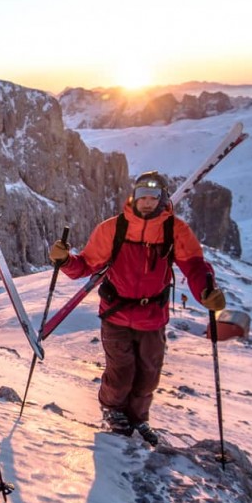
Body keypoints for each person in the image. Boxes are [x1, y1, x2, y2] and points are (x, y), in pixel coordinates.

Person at [49, 171, 225, 445]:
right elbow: (86, 265)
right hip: (115, 313)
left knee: (148, 375)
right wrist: (65, 261)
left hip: (152, 318)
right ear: (133, 197)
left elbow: (194, 266)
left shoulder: (175, 231)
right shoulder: (113, 229)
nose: (146, 201)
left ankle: (139, 419)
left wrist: (205, 292)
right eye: (142, 195)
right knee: (121, 372)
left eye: (153, 196)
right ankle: (113, 411)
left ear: (162, 198)